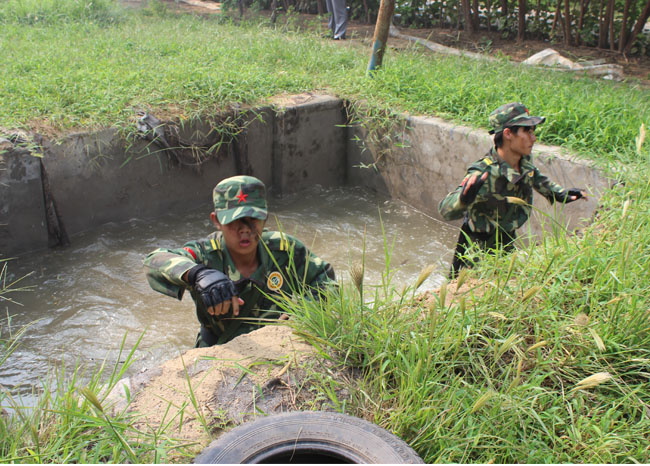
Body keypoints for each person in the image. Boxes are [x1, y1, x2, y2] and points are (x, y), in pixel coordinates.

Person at [144, 175, 336, 347]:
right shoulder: (205, 253)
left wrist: (302, 316)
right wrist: (198, 274)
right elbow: (155, 260)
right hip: (217, 348)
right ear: (216, 220)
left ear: (265, 218)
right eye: (234, 221)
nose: (244, 230)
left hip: (279, 344)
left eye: (252, 219)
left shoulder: (284, 250)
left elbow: (324, 280)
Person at [438, 102, 588, 278]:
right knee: (467, 295)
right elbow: (445, 210)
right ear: (508, 133)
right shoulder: (483, 172)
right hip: (476, 248)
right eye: (527, 132)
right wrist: (463, 199)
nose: (533, 138)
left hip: (507, 240)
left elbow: (537, 178)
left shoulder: (523, 162)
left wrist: (560, 194)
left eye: (533, 132)